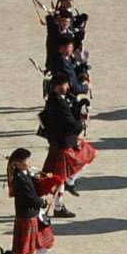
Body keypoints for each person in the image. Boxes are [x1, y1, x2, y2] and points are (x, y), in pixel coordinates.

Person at [38, 84, 92, 218]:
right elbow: (71, 125)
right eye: (65, 84)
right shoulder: (58, 103)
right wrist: (82, 122)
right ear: (58, 85)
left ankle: (58, 205)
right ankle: (68, 184)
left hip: (59, 143)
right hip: (62, 144)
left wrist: (79, 106)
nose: (67, 86)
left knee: (58, 179)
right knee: (87, 155)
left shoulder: (56, 99)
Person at [7, 147, 56, 254]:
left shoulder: (24, 174)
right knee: (28, 251)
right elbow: (30, 198)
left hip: (34, 215)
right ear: (18, 163)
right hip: (27, 218)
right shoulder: (20, 179)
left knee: (47, 243)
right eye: (26, 160)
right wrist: (44, 202)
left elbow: (34, 186)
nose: (29, 162)